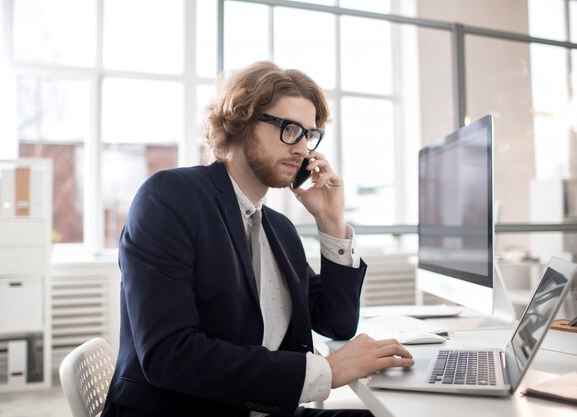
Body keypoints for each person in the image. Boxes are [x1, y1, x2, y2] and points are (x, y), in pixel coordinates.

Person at [101, 61, 414, 417]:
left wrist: (331, 222)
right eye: (290, 129)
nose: (302, 149)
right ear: (241, 120)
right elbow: (169, 355)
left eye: (309, 135)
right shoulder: (171, 198)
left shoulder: (278, 229)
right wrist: (329, 371)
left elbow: (336, 323)